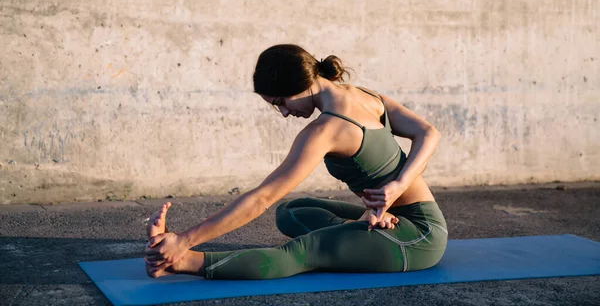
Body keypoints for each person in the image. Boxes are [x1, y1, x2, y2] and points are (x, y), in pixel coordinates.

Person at [144, 44, 447, 279]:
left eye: (280, 103)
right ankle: (362, 232)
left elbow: (260, 198)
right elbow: (427, 133)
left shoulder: (326, 130)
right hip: (398, 215)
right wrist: (386, 198)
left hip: (420, 238)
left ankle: (181, 263)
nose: (285, 113)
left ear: (300, 85)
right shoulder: (364, 95)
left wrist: (184, 241)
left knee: (302, 252)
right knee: (290, 211)